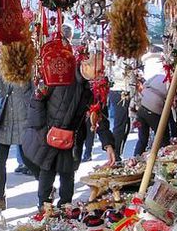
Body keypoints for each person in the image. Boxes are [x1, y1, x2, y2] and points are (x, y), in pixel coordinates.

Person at [21, 59, 116, 210]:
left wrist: (108, 144)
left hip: (72, 138)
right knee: (47, 173)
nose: (101, 75)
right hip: (48, 136)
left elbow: (100, 118)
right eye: (98, 71)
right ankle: (44, 209)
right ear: (85, 65)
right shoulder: (61, 73)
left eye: (102, 71)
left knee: (68, 177)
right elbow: (37, 98)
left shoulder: (94, 88)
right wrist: (41, 128)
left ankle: (66, 211)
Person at [0, 80, 32, 210]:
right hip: (3, 118)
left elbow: (34, 92)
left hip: (22, 119)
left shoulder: (27, 67)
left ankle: (46, 190)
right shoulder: (0, 67)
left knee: (29, 160)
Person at [134, 59, 176, 155]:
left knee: (142, 139)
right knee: (163, 138)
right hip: (154, 111)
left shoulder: (158, 76)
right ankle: (162, 160)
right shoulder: (173, 83)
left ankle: (135, 159)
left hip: (142, 108)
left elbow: (144, 85)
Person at [108, 56, 132, 162]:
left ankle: (118, 152)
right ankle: (116, 153)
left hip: (123, 90)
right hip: (120, 91)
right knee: (120, 124)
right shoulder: (117, 57)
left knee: (126, 124)